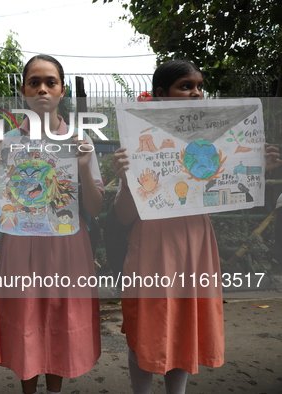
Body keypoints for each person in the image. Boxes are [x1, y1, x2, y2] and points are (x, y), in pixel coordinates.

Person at [111, 59, 282, 394]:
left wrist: (255, 169)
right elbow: (122, 216)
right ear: (161, 94)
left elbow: (229, 195)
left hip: (194, 244)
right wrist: (127, 179)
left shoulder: (213, 142)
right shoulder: (138, 145)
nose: (196, 93)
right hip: (150, 246)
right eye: (186, 86)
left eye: (199, 87)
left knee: (184, 327)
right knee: (143, 329)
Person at [0, 54, 103, 394]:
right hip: (20, 245)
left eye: (50, 82)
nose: (42, 89)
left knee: (60, 319)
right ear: (23, 90)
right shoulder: (6, 143)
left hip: (67, 245)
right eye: (34, 82)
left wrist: (82, 166)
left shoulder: (80, 141)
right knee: (25, 320)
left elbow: (95, 208)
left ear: (62, 90)